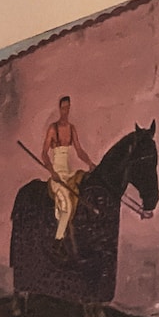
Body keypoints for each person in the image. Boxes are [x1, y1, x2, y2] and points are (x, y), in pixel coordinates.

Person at [40, 95, 95, 242]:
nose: (65, 111)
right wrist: (52, 172)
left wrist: (90, 163)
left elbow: (79, 150)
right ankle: (59, 240)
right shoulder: (53, 128)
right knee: (66, 206)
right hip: (57, 175)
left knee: (82, 192)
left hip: (68, 172)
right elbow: (44, 154)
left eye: (68, 108)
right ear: (59, 109)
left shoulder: (72, 129)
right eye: (63, 108)